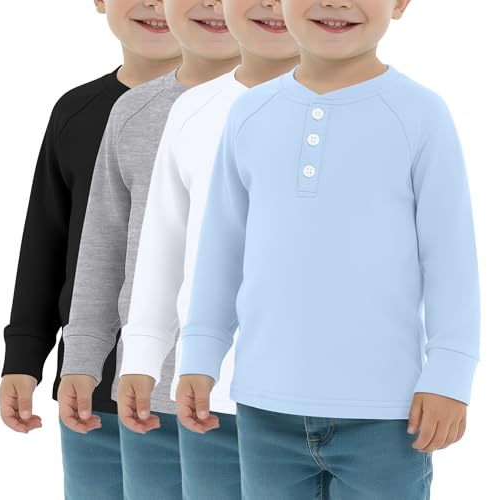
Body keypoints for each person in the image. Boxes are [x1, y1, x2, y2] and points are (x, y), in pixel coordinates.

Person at [176, 0, 481, 498]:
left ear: (400, 4)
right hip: (263, 408)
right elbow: (221, 250)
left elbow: (450, 257)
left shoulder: (421, 114)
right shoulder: (250, 113)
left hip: (388, 413)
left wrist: (449, 374)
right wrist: (200, 353)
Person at [0, 1, 182, 498]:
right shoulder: (76, 111)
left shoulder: (244, 110)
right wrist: (24, 355)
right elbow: (48, 239)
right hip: (91, 391)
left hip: (194, 393)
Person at [57, 0, 240, 498]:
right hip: (152, 395)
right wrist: (83, 358)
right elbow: (108, 246)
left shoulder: (302, 107)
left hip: (263, 397)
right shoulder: (136, 111)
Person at [118, 0, 299, 497]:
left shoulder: (369, 112)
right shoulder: (193, 110)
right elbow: (165, 241)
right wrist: (142, 355)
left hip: (325, 400)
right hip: (210, 399)